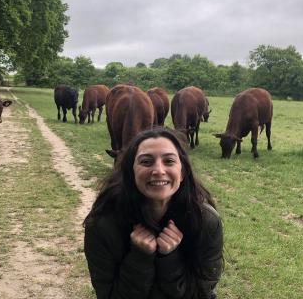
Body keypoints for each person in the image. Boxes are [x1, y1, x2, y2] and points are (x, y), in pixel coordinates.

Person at [84, 127, 223, 299]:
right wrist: (139, 258)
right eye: (146, 162)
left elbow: (202, 293)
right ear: (131, 171)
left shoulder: (205, 221)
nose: (158, 170)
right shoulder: (102, 224)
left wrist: (170, 259)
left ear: (182, 173)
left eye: (169, 161)